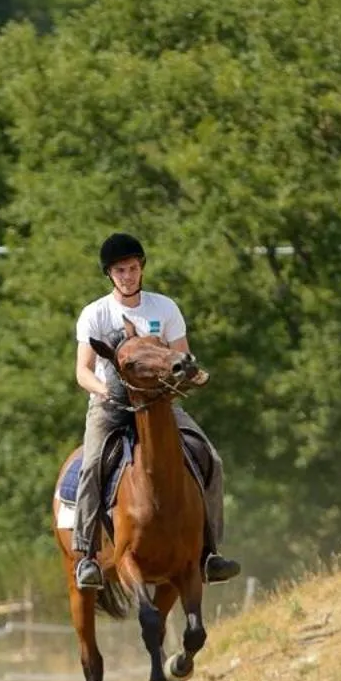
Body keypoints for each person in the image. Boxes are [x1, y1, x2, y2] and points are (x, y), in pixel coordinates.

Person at [71, 233, 241, 592]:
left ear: (142, 268)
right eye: (120, 270)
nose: (128, 276)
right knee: (90, 465)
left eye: (133, 268)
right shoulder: (95, 313)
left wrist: (191, 374)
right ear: (109, 274)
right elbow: (82, 370)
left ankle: (209, 553)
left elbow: (182, 355)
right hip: (111, 404)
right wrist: (106, 392)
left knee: (211, 457)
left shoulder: (164, 308)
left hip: (158, 403)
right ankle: (86, 555)